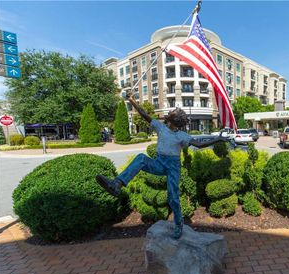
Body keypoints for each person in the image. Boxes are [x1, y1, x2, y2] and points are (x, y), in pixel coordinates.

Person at [96, 92, 229, 239]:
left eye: (173, 112)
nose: (170, 111)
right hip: (159, 163)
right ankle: (117, 184)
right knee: (141, 158)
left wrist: (217, 139)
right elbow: (143, 113)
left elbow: (200, 144)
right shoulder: (160, 127)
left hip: (173, 167)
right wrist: (132, 100)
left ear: (174, 120)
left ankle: (179, 224)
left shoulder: (182, 136)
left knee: (173, 197)